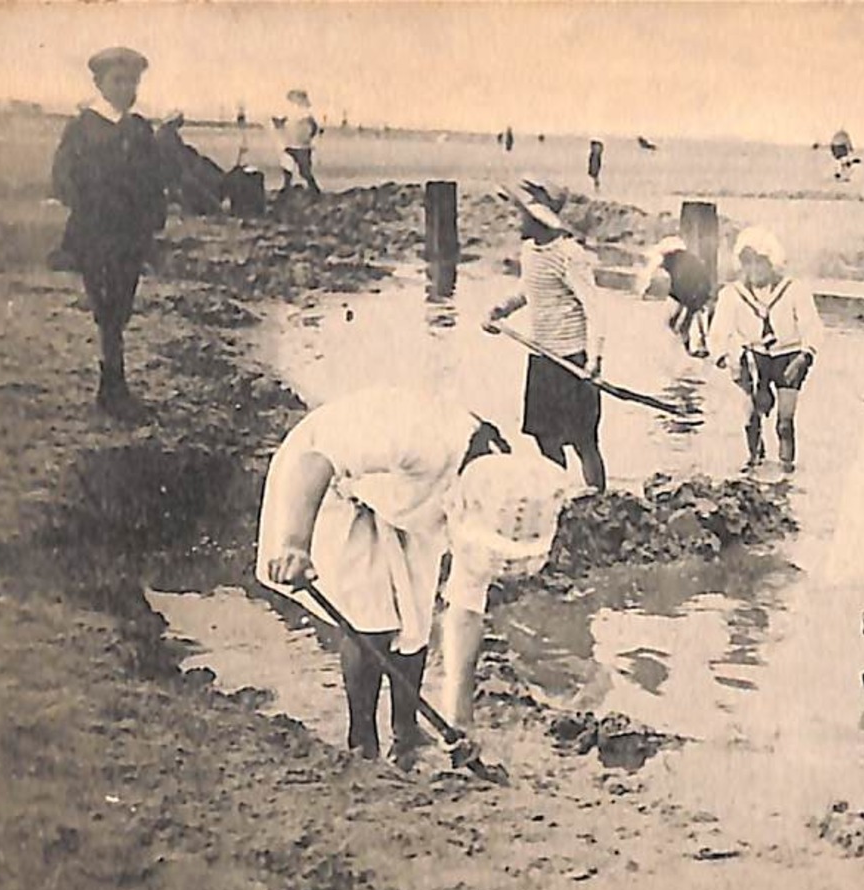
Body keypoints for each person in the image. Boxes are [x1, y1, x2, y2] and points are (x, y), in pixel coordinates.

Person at [256, 387, 578, 760]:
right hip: (328, 485)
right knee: (371, 618)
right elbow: (314, 461)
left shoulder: (504, 495)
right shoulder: (422, 440)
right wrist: (296, 543)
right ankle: (362, 741)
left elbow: (465, 611)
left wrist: (460, 722)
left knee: (416, 615)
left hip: (405, 497)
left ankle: (407, 731)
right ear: (461, 507)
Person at [50, 47, 169, 418]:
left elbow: (154, 181)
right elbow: (62, 177)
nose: (126, 88)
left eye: (132, 81)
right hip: (96, 234)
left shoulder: (139, 128)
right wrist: (90, 204)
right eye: (118, 80)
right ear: (99, 83)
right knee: (108, 311)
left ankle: (113, 387)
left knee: (121, 305)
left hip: (131, 236)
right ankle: (113, 388)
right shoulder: (83, 127)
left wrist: (153, 223)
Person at [485, 181, 609, 491]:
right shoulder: (530, 251)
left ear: (538, 219)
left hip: (574, 360)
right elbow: (530, 289)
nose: (517, 222)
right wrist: (501, 310)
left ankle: (601, 501)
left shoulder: (570, 255)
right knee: (545, 439)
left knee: (584, 441)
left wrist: (594, 359)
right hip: (542, 358)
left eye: (522, 216)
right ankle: (560, 498)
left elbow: (594, 310)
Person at [709, 227, 825, 473]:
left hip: (788, 354)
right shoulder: (732, 295)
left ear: (773, 264)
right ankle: (755, 461)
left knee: (785, 421)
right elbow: (718, 333)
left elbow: (812, 327)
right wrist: (728, 361)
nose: (754, 271)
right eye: (747, 264)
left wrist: (806, 355)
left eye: (760, 263)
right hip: (754, 356)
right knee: (751, 417)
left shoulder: (795, 290)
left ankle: (786, 469)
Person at [644, 236, 714, 356]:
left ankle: (689, 347)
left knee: (686, 324)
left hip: (695, 294)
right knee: (685, 323)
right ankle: (689, 346)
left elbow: (681, 288)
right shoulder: (685, 260)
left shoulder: (676, 263)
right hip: (697, 293)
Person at [274, 89, 321, 195]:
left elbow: (313, 126)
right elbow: (284, 122)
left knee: (304, 171)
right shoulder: (292, 112)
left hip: (302, 146)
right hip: (291, 143)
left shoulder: (305, 112)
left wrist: (309, 137)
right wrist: (279, 123)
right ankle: (287, 186)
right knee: (286, 164)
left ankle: (314, 189)